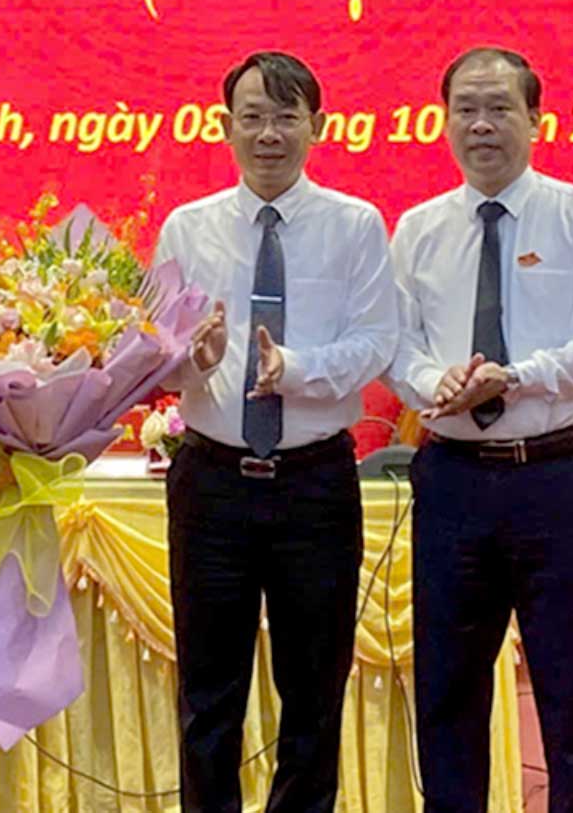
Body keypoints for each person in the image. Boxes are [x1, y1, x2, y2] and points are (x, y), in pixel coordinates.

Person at [387, 47, 573, 813]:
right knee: (449, 693)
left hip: (557, 482)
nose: (482, 124)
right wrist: (440, 386)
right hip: (455, 481)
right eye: (466, 108)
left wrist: (512, 378)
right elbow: (401, 345)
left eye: (499, 108)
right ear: (445, 121)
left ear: (536, 119)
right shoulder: (420, 229)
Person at [154, 51, 399, 812]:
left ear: (316, 128)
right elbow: (153, 347)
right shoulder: (187, 227)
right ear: (224, 127)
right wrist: (186, 359)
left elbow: (376, 341)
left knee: (315, 684)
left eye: (286, 116)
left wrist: (290, 368)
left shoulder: (355, 226)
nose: (268, 134)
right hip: (213, 481)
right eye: (253, 117)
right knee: (207, 685)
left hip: (314, 483)